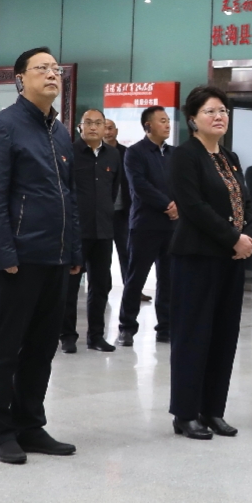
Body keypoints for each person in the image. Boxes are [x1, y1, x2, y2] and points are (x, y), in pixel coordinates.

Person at [0, 48, 83, 465]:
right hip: (19, 257)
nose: (52, 74)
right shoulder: (3, 127)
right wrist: (3, 252)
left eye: (55, 69)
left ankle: (30, 424)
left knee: (42, 347)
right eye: (42, 69)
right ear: (20, 78)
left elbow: (69, 195)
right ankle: (1, 431)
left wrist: (74, 248)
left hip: (55, 256)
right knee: (6, 348)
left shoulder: (59, 131)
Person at [167, 86, 252, 439]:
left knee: (224, 336)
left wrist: (247, 237)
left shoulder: (229, 157)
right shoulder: (185, 156)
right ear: (193, 119)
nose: (219, 117)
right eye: (210, 111)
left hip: (230, 260)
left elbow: (245, 202)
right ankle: (186, 413)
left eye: (223, 111)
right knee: (193, 336)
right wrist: (233, 238)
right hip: (197, 258)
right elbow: (194, 207)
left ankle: (213, 410)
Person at [118, 106, 177, 347]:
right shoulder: (135, 152)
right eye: (162, 120)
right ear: (148, 125)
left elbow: (183, 184)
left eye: (168, 120)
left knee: (168, 279)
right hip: (145, 225)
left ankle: (166, 328)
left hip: (172, 226)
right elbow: (139, 185)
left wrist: (178, 205)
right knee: (136, 278)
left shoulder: (174, 154)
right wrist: (167, 204)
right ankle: (126, 328)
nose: (167, 124)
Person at [64, 109, 121, 353]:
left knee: (101, 286)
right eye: (89, 123)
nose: (94, 127)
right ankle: (67, 335)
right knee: (70, 286)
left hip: (103, 231)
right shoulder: (70, 153)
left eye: (99, 123)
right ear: (80, 127)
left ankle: (96, 336)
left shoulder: (113, 155)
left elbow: (113, 190)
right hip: (76, 230)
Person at [104, 117, 134, 303]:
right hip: (102, 214)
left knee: (126, 252)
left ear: (116, 131)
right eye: (105, 128)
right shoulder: (96, 154)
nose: (108, 132)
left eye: (111, 128)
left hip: (123, 212)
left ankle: (131, 290)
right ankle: (103, 289)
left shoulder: (127, 153)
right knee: (103, 255)